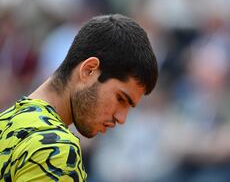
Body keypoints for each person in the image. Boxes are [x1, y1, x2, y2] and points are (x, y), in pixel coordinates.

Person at [0, 14, 158, 182]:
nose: (121, 118)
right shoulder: (56, 149)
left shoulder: (5, 122)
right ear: (89, 70)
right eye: (120, 98)